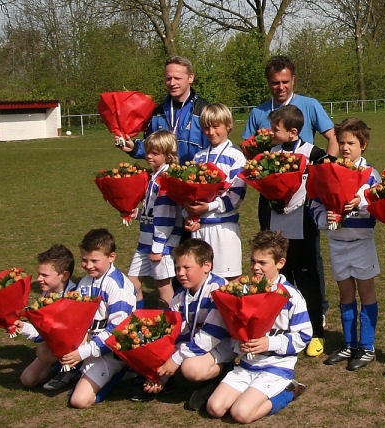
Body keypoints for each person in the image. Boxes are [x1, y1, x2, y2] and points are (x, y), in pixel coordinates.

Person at [243, 55, 334, 319]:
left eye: (285, 81)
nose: (280, 87)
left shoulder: (309, 104)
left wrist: (321, 176)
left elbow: (332, 137)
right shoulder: (258, 112)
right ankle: (277, 308)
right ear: (268, 83)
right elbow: (247, 152)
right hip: (270, 199)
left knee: (308, 257)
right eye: (275, 83)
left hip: (303, 197)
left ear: (293, 79)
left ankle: (317, 310)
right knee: (272, 251)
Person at [206, 230, 311, 423]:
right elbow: (236, 329)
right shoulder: (243, 291)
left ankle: (290, 390)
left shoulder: (290, 296)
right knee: (215, 408)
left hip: (277, 368)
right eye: (253, 261)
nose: (256, 267)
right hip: (247, 365)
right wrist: (240, 345)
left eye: (263, 263)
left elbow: (304, 336)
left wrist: (268, 343)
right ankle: (246, 394)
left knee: (241, 414)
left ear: (280, 263)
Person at [309, 118, 381, 370]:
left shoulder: (371, 174)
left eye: (351, 142)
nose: (345, 147)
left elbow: (380, 205)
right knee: (345, 294)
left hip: (361, 242)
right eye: (341, 142)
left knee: (366, 292)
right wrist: (325, 218)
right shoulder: (329, 170)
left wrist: (360, 203)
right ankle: (349, 344)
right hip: (337, 241)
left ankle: (367, 346)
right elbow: (315, 203)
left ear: (363, 145)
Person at [136, 239, 233, 411]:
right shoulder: (181, 294)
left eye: (186, 268)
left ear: (206, 266)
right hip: (193, 346)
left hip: (219, 345)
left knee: (190, 368)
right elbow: (173, 333)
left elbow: (212, 335)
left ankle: (222, 373)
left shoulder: (220, 289)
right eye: (177, 268)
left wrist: (175, 359)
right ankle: (164, 382)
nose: (180, 273)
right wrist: (159, 374)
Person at [266, 105, 327, 357]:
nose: (271, 133)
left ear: (292, 132)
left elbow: (327, 182)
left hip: (304, 226)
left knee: (308, 281)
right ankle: (286, 330)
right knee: (283, 280)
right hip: (277, 226)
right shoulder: (271, 152)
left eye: (275, 130)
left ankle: (316, 332)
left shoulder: (314, 153)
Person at [60, 229, 137, 407]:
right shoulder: (85, 281)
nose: (88, 265)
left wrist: (83, 352)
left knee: (79, 401)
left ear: (111, 257)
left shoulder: (119, 286)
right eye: (84, 260)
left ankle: (119, 372)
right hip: (89, 343)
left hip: (111, 351)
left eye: (95, 260)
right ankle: (75, 370)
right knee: (45, 353)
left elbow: (118, 331)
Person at [183, 103, 246, 280]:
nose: (211, 132)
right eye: (206, 127)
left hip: (223, 227)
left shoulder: (237, 156)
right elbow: (189, 192)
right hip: (200, 228)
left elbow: (236, 195)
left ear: (228, 126)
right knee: (199, 280)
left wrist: (209, 207)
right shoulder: (198, 157)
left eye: (216, 126)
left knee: (228, 280)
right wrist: (190, 214)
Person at [118, 56, 210, 164]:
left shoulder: (205, 111)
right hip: (164, 178)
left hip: (195, 178)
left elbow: (216, 149)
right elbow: (152, 147)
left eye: (177, 78)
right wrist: (134, 147)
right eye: (168, 78)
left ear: (190, 78)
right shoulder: (157, 113)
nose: (172, 83)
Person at [127, 130, 183, 309]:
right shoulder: (154, 176)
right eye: (147, 152)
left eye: (155, 153)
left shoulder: (166, 179)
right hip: (145, 241)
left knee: (163, 286)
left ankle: (169, 324)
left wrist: (158, 247)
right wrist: (134, 214)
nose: (149, 156)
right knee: (131, 283)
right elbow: (151, 211)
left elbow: (166, 216)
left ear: (168, 155)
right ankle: (137, 318)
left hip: (161, 245)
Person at [14, 244, 80, 390]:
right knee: (28, 379)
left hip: (76, 350)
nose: (39, 279)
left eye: (45, 275)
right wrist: (22, 327)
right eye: (39, 274)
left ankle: (73, 370)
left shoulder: (75, 297)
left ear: (65, 275)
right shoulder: (47, 293)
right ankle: (58, 367)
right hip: (55, 347)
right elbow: (43, 330)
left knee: (43, 351)